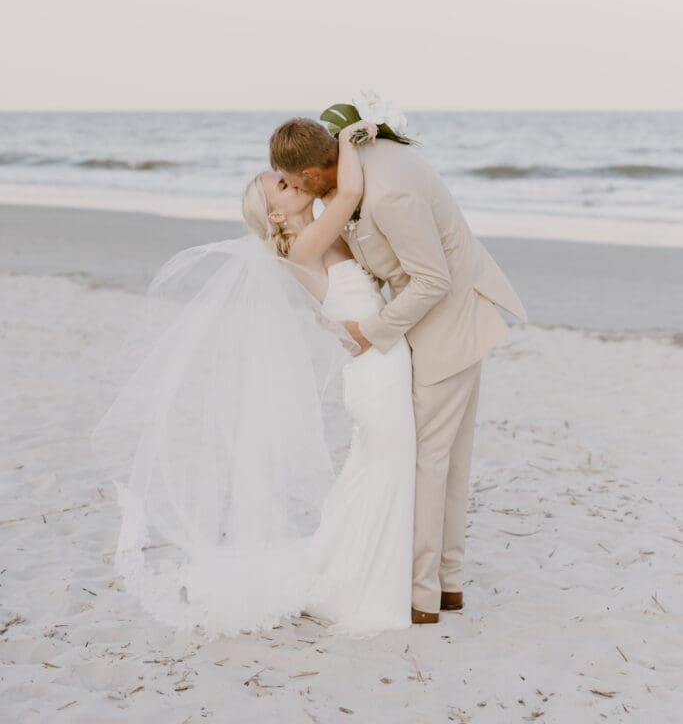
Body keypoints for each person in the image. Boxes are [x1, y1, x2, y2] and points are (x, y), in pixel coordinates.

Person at [93, 120, 416, 639]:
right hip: (375, 365)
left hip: (377, 358)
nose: (295, 185)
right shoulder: (306, 245)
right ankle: (370, 589)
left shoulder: (315, 239)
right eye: (283, 187)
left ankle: (352, 575)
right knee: (389, 464)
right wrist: (352, 135)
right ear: (275, 213)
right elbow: (350, 188)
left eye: (291, 179)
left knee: (377, 468)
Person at [269, 117, 527, 624]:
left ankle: (422, 595)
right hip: (422, 331)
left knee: (428, 464)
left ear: (317, 172)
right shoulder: (351, 173)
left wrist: (372, 332)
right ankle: (445, 587)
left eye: (297, 182)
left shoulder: (386, 195)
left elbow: (432, 281)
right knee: (442, 462)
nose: (299, 191)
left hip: (446, 326)